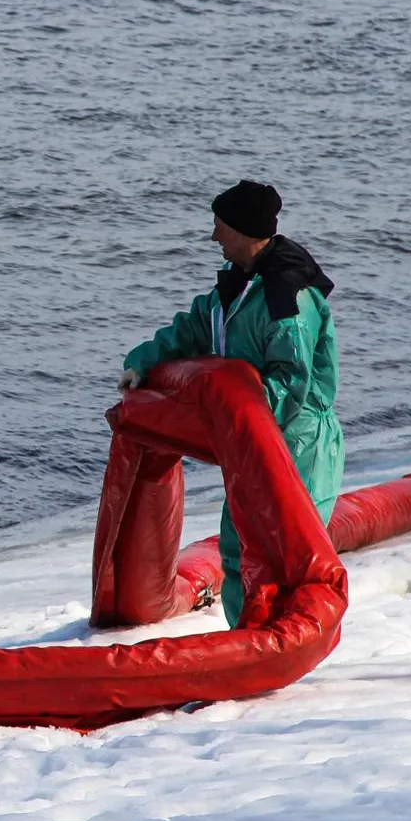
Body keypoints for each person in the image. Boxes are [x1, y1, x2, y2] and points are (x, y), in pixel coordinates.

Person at [119, 180, 343, 627]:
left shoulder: (287, 300)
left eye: (220, 226)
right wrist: (142, 362)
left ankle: (285, 645)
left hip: (296, 446)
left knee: (287, 553)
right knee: (239, 547)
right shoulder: (237, 290)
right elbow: (193, 328)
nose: (213, 236)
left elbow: (291, 382)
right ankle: (249, 640)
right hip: (252, 444)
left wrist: (241, 427)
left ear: (244, 231)